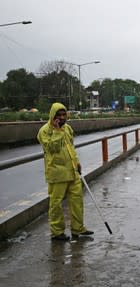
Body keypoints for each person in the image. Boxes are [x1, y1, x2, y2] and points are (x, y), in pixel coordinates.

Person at [37, 102, 93, 241]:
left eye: (64, 115)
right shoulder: (45, 131)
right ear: (53, 115)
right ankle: (57, 232)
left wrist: (77, 162)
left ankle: (77, 228)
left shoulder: (67, 128)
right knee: (56, 204)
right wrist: (56, 131)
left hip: (72, 171)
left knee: (77, 201)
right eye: (59, 115)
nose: (62, 118)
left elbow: (70, 147)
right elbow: (52, 148)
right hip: (57, 173)